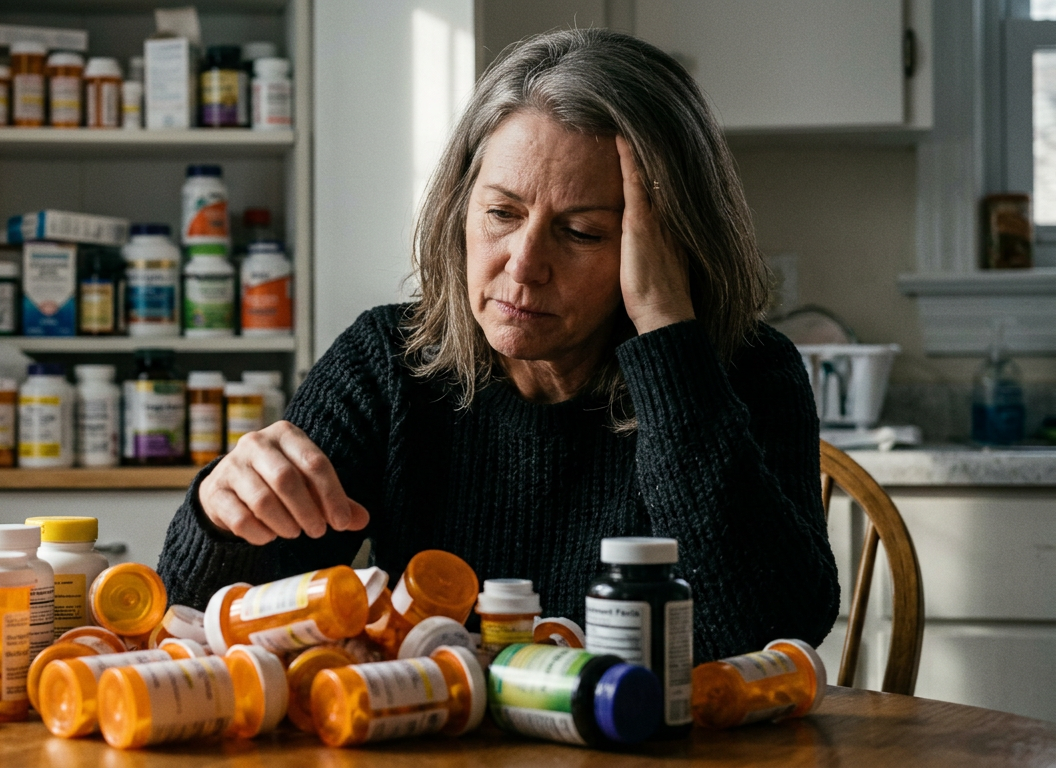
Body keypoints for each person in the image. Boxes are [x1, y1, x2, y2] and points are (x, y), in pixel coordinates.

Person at [157, 28, 839, 662]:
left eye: (581, 232)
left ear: (670, 245)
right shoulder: (387, 361)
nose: (524, 264)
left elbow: (773, 632)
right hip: (433, 728)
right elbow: (205, 623)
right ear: (460, 205)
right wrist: (222, 517)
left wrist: (666, 335)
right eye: (502, 213)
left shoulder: (749, 372)